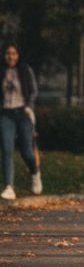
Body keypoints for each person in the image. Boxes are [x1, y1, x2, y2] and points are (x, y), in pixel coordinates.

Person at [1, 44, 41, 199]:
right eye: (8, 53)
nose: (11, 56)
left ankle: (35, 172)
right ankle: (9, 186)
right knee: (6, 148)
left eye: (14, 53)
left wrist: (29, 106)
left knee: (27, 152)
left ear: (19, 55)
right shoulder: (1, 71)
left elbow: (33, 91)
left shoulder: (25, 70)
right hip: (6, 114)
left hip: (23, 113)